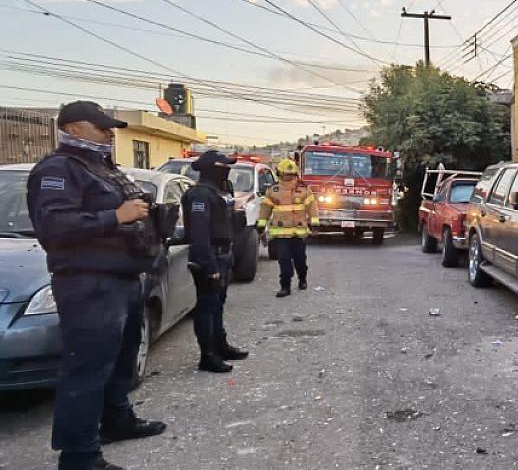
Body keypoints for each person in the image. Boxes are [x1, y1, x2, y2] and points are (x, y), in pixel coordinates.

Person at [26, 101, 167, 470]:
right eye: (101, 127)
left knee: (121, 362)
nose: (110, 133)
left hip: (122, 278)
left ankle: (117, 421)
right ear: (73, 129)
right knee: (87, 370)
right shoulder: (58, 169)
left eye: (111, 128)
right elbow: (54, 227)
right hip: (89, 283)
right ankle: (80, 456)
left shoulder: (101, 167)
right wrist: (116, 215)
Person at [181, 151, 250, 373]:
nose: (227, 169)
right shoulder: (200, 195)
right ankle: (207, 356)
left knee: (218, 306)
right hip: (209, 257)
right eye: (223, 165)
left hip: (223, 254)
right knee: (206, 308)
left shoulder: (220, 191)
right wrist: (209, 265)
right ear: (212, 168)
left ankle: (221, 346)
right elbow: (199, 235)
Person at [257, 158, 319, 298]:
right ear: (279, 173)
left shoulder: (304, 190)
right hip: (281, 234)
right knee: (283, 261)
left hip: (298, 233)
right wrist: (261, 224)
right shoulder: (273, 190)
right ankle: (285, 286)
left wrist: (314, 223)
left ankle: (302, 278)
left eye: (290, 175)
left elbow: (312, 207)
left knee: (300, 260)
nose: (288, 177)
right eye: (285, 174)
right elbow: (265, 209)